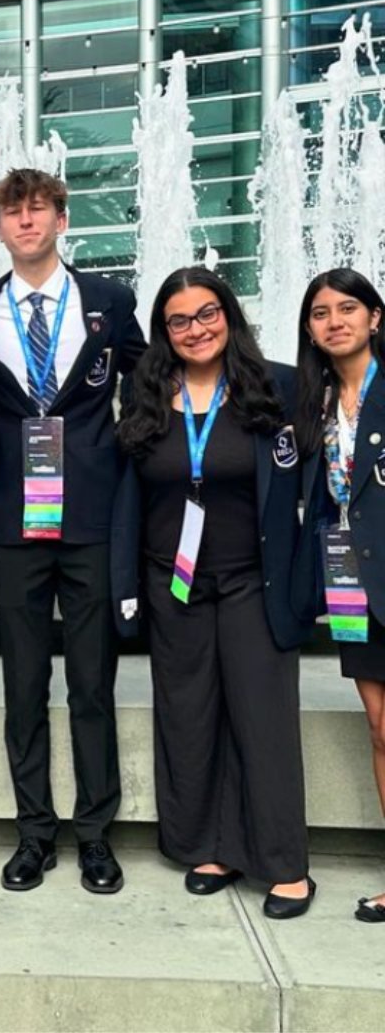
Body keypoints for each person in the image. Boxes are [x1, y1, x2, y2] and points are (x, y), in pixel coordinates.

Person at [0, 168, 144, 895]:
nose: (25, 222)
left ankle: (95, 834)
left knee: (92, 684)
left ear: (62, 220)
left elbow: (151, 383)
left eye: (38, 210)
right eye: (12, 212)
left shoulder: (109, 301)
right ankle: (34, 832)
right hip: (11, 518)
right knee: (24, 683)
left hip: (91, 517)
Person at [113, 266, 315, 919]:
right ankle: (209, 847)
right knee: (189, 718)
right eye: (179, 320)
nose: (195, 329)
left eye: (207, 314)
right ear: (162, 332)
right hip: (175, 587)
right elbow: (128, 503)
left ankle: (285, 865)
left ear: (228, 316)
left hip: (253, 583)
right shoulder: (145, 398)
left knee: (264, 720)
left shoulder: (277, 387)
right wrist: (126, 588)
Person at [294, 268, 385, 924]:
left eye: (348, 307)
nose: (335, 321)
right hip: (353, 578)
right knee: (381, 731)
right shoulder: (316, 402)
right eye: (320, 313)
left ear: (375, 317)